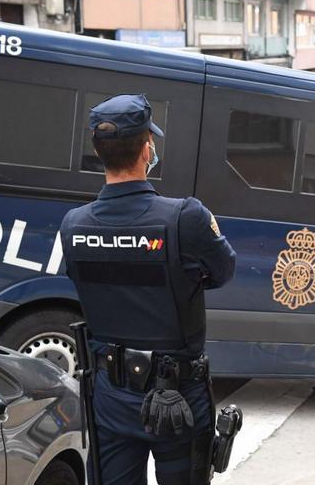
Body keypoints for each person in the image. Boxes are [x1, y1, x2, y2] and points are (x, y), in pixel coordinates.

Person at [61, 94, 237, 485]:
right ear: (146, 150)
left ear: (97, 151)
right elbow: (223, 271)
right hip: (177, 398)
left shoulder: (73, 224)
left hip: (110, 395)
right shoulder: (185, 217)